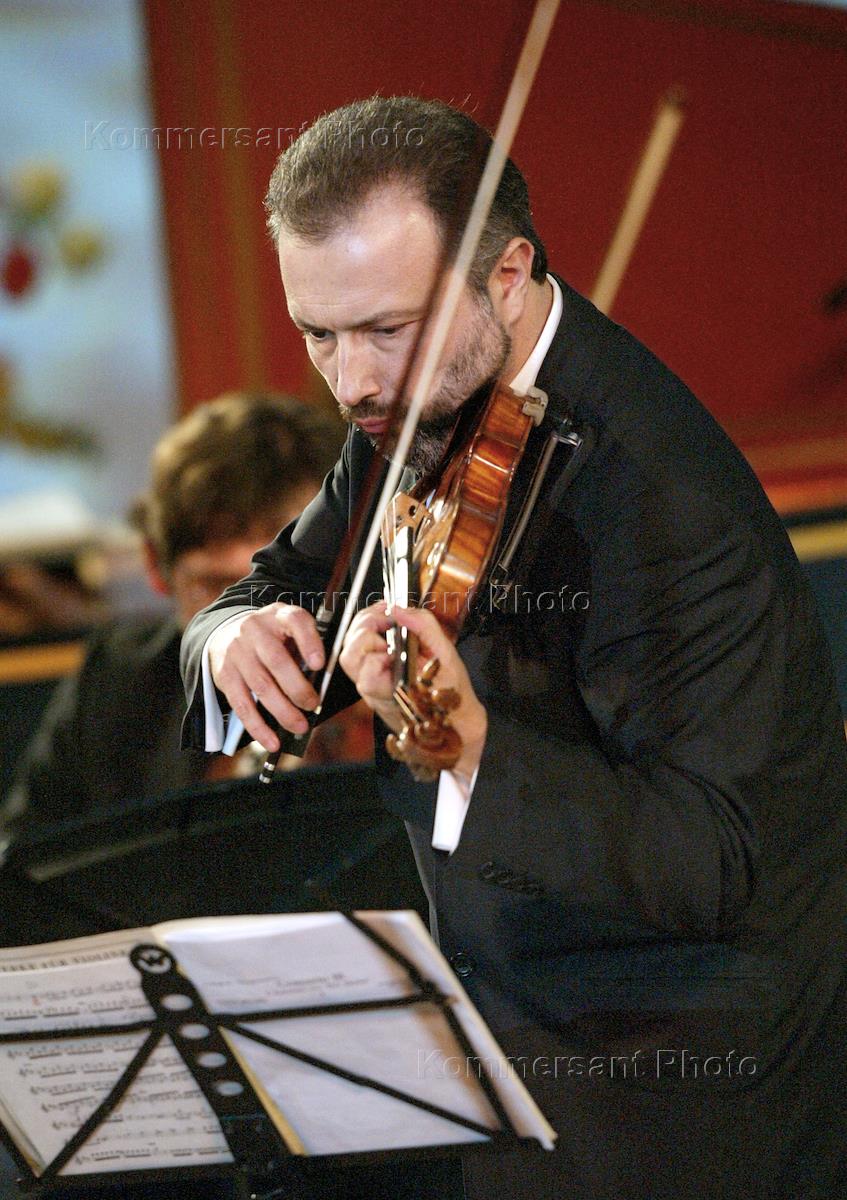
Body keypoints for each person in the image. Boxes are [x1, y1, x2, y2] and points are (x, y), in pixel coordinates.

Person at [180, 97, 847, 1199]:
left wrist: (473, 753)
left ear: (506, 274)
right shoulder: (409, 408)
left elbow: (713, 863)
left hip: (675, 1110)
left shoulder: (662, 499)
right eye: (317, 334)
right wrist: (227, 641)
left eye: (385, 329)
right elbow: (280, 585)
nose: (350, 382)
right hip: (510, 1066)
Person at [1, 392, 342, 839]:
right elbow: (25, 859)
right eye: (219, 588)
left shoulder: (393, 677)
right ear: (155, 568)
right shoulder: (119, 677)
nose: (256, 624)